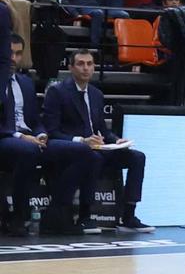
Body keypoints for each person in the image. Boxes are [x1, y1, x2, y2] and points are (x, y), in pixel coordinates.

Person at [42, 48, 150, 234]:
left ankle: (128, 216)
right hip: (70, 148)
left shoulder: (96, 94)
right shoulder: (57, 92)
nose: (86, 68)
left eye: (90, 64)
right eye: (81, 64)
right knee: (93, 157)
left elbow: (103, 129)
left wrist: (116, 140)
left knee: (137, 157)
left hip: (97, 147)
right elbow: (52, 131)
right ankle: (86, 216)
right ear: (71, 67)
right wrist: (81, 140)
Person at [1, 33, 46, 236]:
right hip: (5, 137)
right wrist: (21, 137)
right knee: (28, 150)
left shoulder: (26, 82)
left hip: (28, 138)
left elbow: (34, 120)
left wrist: (41, 133)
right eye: (10, 52)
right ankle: (20, 214)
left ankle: (62, 215)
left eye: (18, 54)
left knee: (77, 152)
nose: (14, 58)